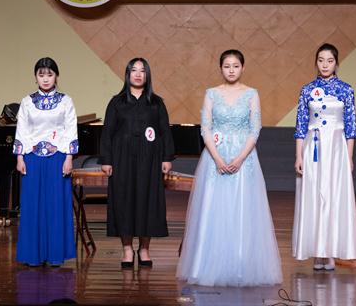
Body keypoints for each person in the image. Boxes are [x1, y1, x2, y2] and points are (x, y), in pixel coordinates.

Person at [177, 49, 282, 287]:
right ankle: (207, 265)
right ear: (221, 68)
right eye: (227, 66)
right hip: (215, 156)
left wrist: (240, 158)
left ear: (243, 68)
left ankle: (241, 266)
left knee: (243, 209)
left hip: (244, 157)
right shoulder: (212, 94)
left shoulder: (252, 94)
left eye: (235, 66)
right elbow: (205, 128)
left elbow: (255, 129)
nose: (231, 70)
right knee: (213, 209)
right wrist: (217, 158)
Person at [99, 57, 174, 269]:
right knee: (124, 202)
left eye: (142, 70)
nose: (138, 74)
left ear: (147, 75)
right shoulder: (117, 102)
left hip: (149, 161)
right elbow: (107, 132)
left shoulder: (156, 103)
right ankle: (127, 249)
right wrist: (106, 160)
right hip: (122, 159)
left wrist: (167, 158)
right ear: (128, 74)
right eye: (134, 70)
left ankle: (144, 249)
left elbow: (165, 131)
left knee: (147, 202)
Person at [292, 43, 356, 271]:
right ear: (316, 62)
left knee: (333, 196)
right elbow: (300, 125)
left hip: (337, 148)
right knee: (314, 195)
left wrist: (349, 157)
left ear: (336, 63)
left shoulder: (346, 90)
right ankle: (316, 252)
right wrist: (298, 156)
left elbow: (351, 126)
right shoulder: (307, 90)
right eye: (321, 60)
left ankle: (329, 252)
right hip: (313, 147)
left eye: (329, 61)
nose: (325, 65)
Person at [13, 57, 78, 267]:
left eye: (50, 74)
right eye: (41, 75)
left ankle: (55, 255)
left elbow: (71, 130)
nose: (46, 79)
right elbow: (22, 130)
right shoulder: (27, 101)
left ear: (56, 76)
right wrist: (20, 157)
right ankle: (33, 255)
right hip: (32, 158)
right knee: (32, 206)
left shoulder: (66, 101)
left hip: (58, 158)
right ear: (35, 77)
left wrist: (69, 157)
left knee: (55, 206)